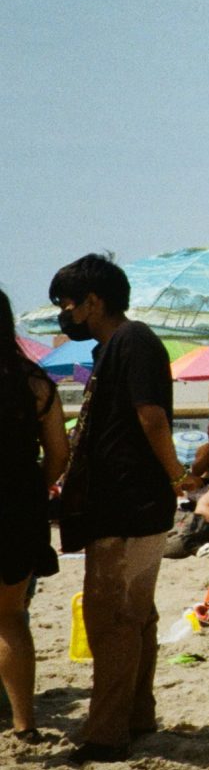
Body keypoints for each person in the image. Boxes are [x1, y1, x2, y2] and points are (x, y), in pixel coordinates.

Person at [49, 254, 182, 764]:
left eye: (68, 303)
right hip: (134, 503)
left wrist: (176, 474)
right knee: (136, 616)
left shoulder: (132, 342)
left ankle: (106, 734)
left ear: (93, 302)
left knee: (114, 619)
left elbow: (151, 418)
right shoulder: (124, 345)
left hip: (128, 504)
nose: (66, 313)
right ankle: (136, 715)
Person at [1, 286, 68, 741]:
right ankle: (25, 723)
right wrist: (37, 481)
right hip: (17, 501)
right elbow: (59, 454)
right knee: (9, 618)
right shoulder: (35, 382)